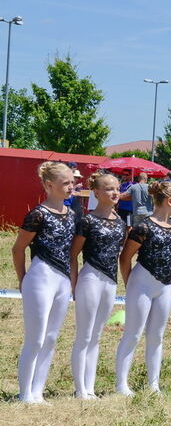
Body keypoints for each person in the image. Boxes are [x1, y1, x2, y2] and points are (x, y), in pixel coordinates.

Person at [114, 181, 171, 396]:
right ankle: (121, 384)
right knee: (133, 334)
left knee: (157, 336)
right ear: (170, 201)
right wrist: (131, 285)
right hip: (141, 283)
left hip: (164, 286)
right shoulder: (143, 227)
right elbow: (125, 258)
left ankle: (153, 383)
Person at [12, 162, 77, 403]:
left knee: (51, 338)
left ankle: (37, 390)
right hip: (40, 278)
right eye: (66, 183)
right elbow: (18, 249)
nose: (71, 187)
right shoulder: (37, 214)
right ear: (49, 185)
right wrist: (22, 279)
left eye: (72, 182)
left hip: (62, 280)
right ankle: (24, 392)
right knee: (36, 338)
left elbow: (72, 253)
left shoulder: (72, 214)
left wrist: (71, 281)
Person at [70, 173, 125, 400]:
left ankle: (90, 386)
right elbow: (73, 255)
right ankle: (79, 388)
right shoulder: (87, 221)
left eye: (117, 188)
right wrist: (74, 285)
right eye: (109, 188)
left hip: (110, 282)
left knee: (97, 335)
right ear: (96, 193)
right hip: (90, 278)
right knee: (84, 334)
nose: (114, 193)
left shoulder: (122, 223)